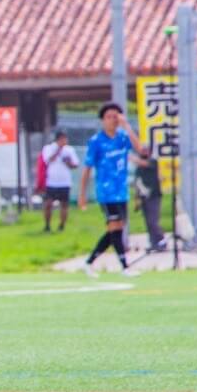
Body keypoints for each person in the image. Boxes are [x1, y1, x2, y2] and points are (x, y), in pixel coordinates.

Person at [76, 102, 148, 277]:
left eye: (116, 117)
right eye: (109, 117)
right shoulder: (96, 141)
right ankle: (125, 266)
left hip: (121, 190)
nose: (113, 120)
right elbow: (87, 168)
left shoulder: (123, 137)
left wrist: (127, 126)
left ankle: (89, 262)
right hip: (106, 191)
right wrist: (82, 193)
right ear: (102, 120)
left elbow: (140, 150)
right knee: (115, 226)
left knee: (115, 230)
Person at [38, 129, 78, 231]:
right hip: (51, 182)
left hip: (65, 182)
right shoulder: (48, 148)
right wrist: (58, 150)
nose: (64, 141)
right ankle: (47, 225)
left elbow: (75, 165)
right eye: (62, 139)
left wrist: (68, 162)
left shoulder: (69, 150)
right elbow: (47, 160)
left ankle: (62, 225)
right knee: (48, 204)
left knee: (64, 204)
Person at [132, 150, 167, 253]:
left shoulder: (153, 162)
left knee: (153, 221)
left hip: (154, 196)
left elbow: (145, 163)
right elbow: (137, 182)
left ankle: (161, 241)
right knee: (148, 222)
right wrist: (136, 198)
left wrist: (131, 158)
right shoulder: (139, 169)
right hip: (143, 197)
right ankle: (153, 243)